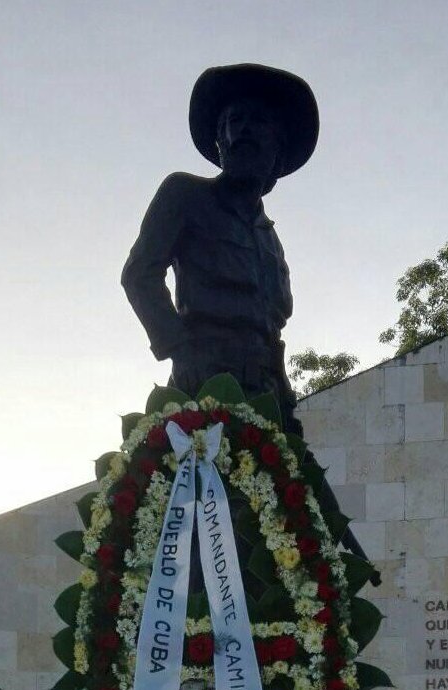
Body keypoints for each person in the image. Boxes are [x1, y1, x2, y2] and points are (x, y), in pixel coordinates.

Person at [122, 62, 319, 434]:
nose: (244, 129)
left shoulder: (270, 240)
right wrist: (180, 349)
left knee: (309, 493)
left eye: (258, 121)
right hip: (204, 386)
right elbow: (139, 274)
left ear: (277, 150)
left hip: (266, 397)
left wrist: (285, 401)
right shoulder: (184, 194)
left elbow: (270, 331)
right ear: (220, 141)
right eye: (234, 121)